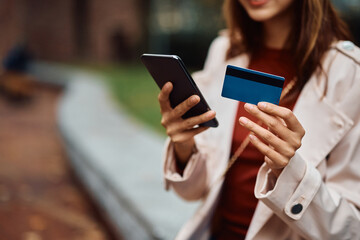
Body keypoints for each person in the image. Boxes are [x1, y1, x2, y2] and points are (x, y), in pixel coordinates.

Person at [159, 0, 360, 239]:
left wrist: (289, 170)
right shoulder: (225, 50)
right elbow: (194, 192)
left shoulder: (349, 71)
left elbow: (350, 229)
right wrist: (184, 147)